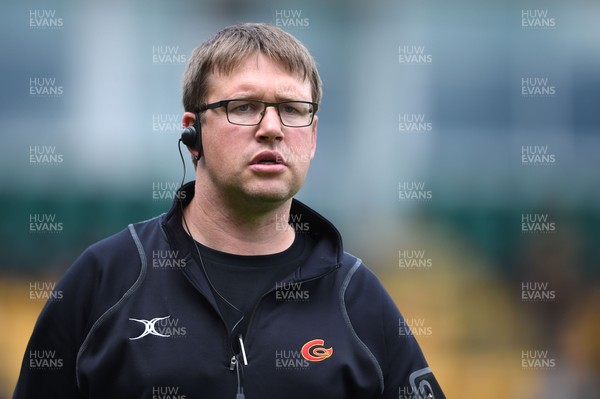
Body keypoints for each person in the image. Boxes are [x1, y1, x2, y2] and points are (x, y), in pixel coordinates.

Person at [13, 23, 445, 399]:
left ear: (312, 138)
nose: (272, 129)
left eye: (293, 110)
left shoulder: (358, 297)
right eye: (243, 107)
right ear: (193, 132)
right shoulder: (105, 279)